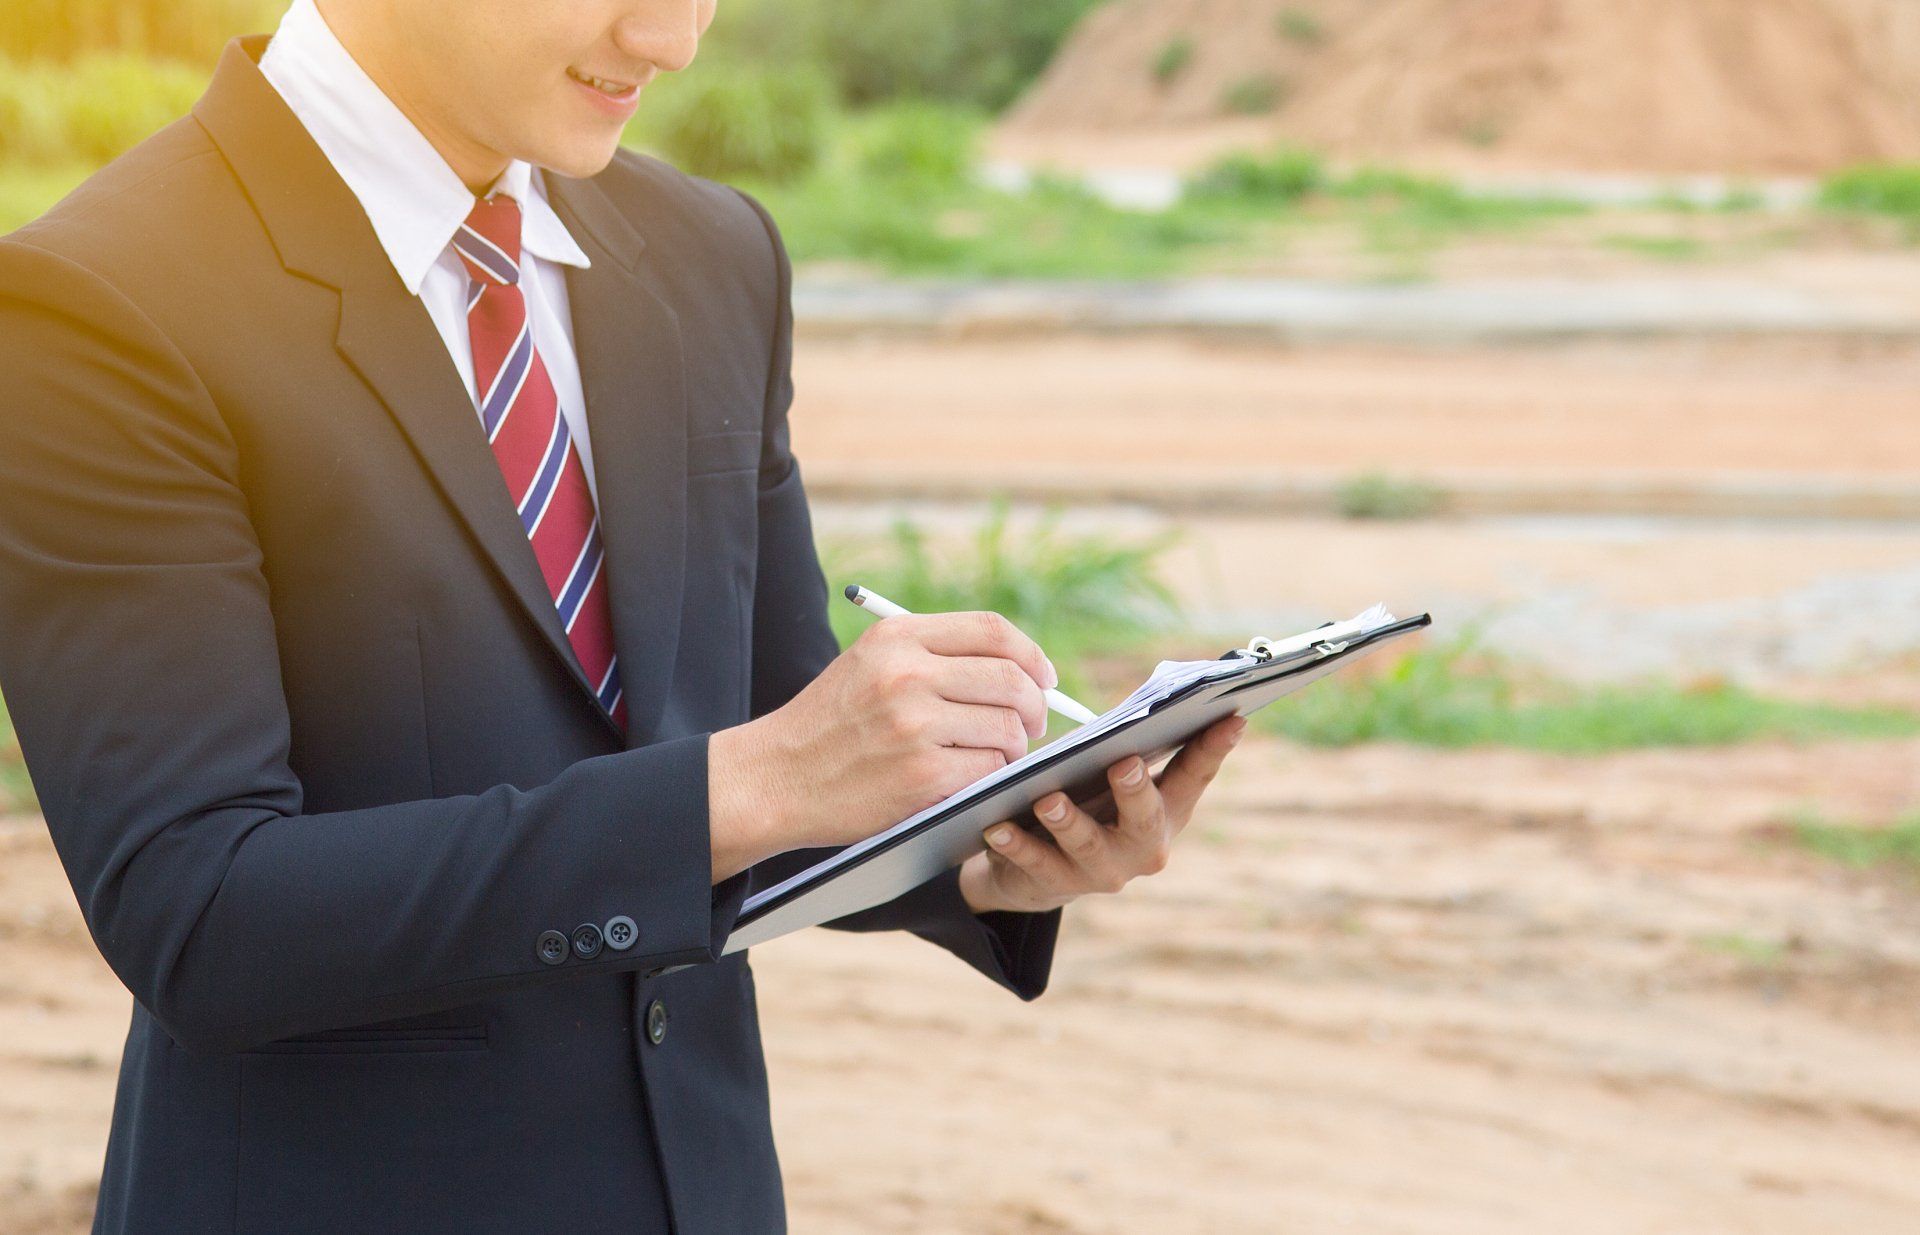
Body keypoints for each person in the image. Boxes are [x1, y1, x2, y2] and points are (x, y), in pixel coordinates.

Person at [0, 1, 1248, 1231]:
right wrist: (750, 783)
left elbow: (778, 744)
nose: (671, 38)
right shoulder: (97, 303)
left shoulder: (713, 255)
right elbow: (204, 913)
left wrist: (991, 850)